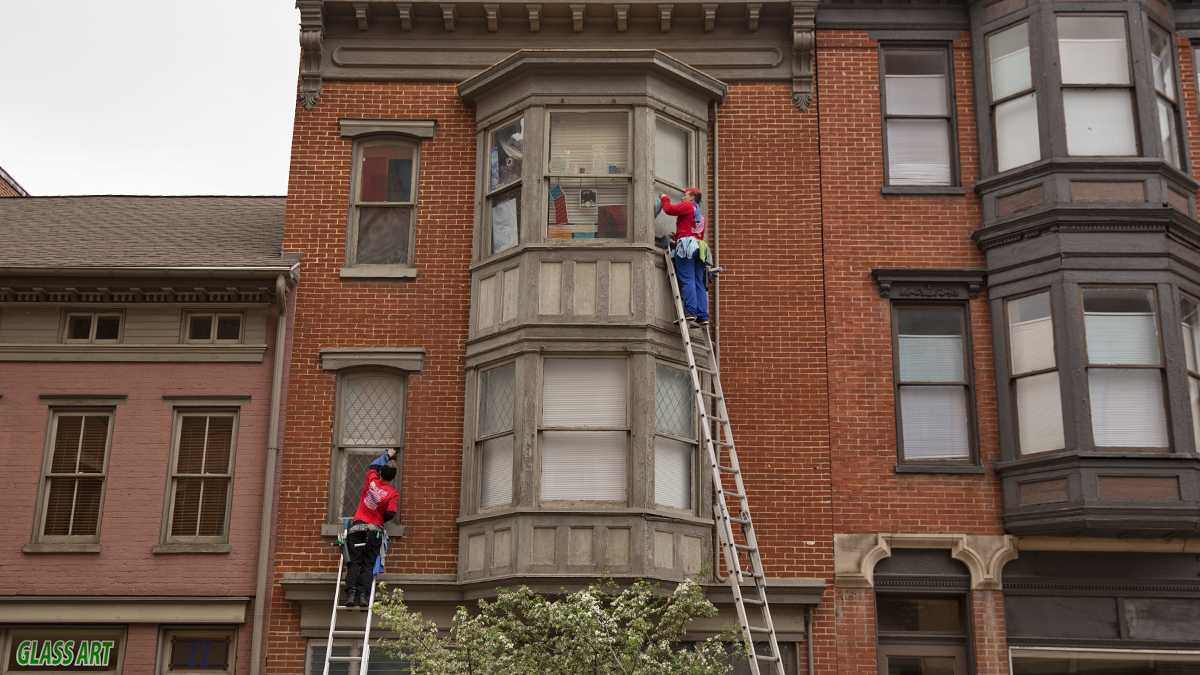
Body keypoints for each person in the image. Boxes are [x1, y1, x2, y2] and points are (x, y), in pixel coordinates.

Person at [343, 448, 400, 607]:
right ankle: (363, 597)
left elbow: (372, 466)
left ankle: (350, 595)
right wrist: (379, 518)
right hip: (374, 531)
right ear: (393, 477)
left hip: (357, 528)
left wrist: (387, 455)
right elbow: (390, 513)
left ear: (381, 472)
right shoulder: (392, 493)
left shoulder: (372, 481)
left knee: (354, 562)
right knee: (368, 564)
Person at [660, 188, 711, 324]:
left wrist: (664, 198)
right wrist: (677, 235)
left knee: (687, 279)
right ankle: (702, 315)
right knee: (698, 281)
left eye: (685, 195)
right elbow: (692, 229)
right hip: (700, 248)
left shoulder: (688, 206)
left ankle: (690, 311)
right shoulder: (699, 214)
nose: (682, 198)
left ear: (692, 197)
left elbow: (669, 209)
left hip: (687, 246)